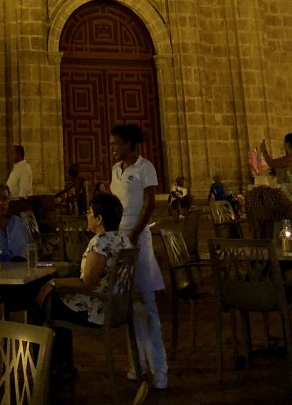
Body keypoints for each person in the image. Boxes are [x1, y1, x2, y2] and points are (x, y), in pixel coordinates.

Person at [35, 191, 130, 379]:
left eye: (89, 212)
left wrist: (54, 282)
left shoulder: (100, 243)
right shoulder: (123, 239)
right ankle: (63, 364)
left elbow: (87, 283)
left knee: (42, 304)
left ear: (99, 218)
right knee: (56, 304)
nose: (87, 215)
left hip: (96, 310)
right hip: (117, 307)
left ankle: (44, 368)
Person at [109, 123, 167, 392]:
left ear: (131, 145)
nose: (113, 147)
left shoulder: (146, 168)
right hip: (119, 240)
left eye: (118, 143)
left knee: (146, 300)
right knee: (127, 303)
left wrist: (134, 233)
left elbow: (149, 204)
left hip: (138, 238)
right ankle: (138, 363)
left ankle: (160, 369)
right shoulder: (115, 170)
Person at [243, 172, 292, 238]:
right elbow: (290, 206)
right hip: (279, 232)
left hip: (258, 234)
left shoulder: (249, 197)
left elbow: (247, 213)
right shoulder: (276, 193)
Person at [260, 135, 292, 207]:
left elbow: (272, 163)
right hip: (289, 193)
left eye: (284, 142)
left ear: (288, 144)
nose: (283, 144)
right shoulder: (291, 157)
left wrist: (264, 151)